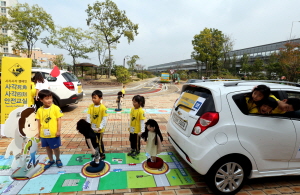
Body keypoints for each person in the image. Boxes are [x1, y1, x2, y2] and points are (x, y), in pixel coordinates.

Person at [35, 89, 64, 170]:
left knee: (56, 148)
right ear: (41, 100)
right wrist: (39, 133)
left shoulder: (56, 108)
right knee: (48, 148)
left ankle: (58, 159)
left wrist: (58, 131)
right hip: (44, 134)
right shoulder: (39, 110)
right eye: (47, 99)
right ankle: (51, 160)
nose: (49, 100)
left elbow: (59, 120)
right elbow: (39, 122)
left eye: (50, 98)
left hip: (54, 133)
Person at [87, 90, 107, 160]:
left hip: (99, 130)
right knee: (93, 142)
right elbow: (88, 117)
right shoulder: (90, 107)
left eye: (95, 98)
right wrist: (88, 126)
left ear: (100, 98)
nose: (93, 99)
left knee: (99, 142)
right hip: (92, 129)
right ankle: (96, 152)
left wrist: (100, 127)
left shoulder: (103, 108)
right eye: (92, 98)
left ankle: (102, 154)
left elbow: (104, 119)